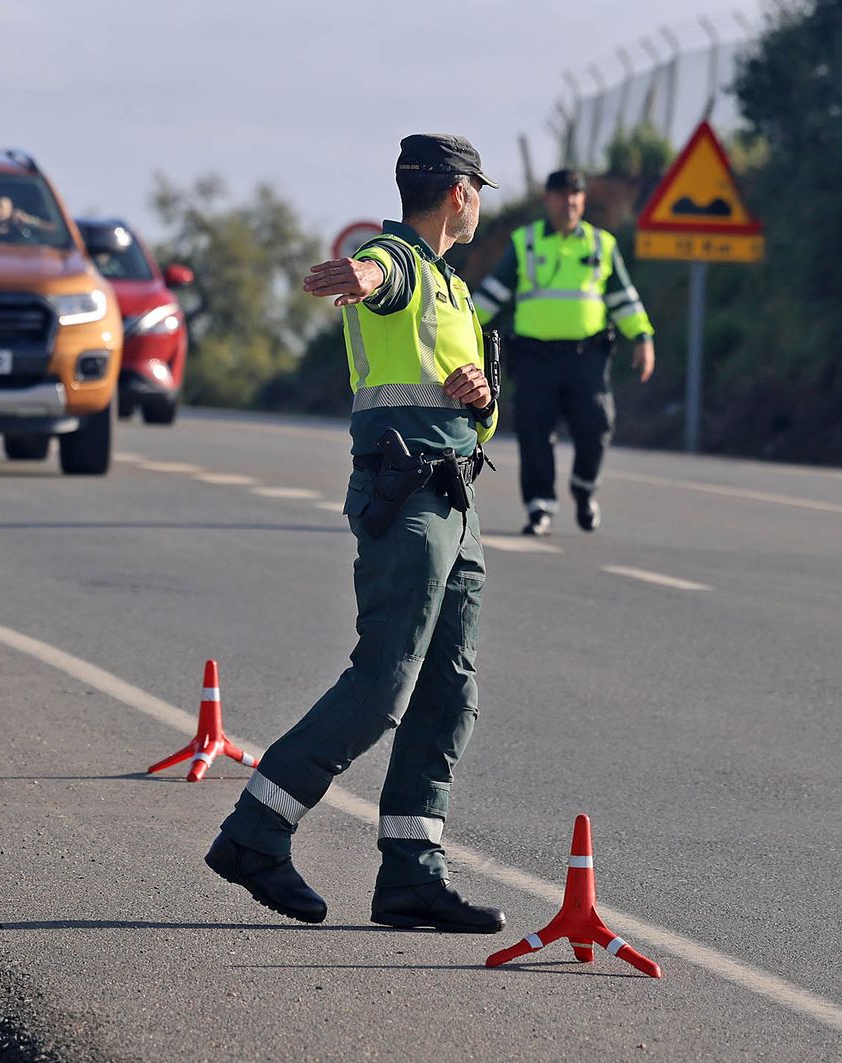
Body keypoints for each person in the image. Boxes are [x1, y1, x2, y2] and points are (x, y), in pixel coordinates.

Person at [205, 134, 506, 934]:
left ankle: (412, 873)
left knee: (450, 692)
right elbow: (381, 276)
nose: (480, 201)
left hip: (456, 499)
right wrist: (366, 274)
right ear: (459, 194)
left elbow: (477, 400)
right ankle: (255, 831)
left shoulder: (454, 287)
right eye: (479, 189)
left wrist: (479, 396)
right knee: (383, 684)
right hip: (406, 498)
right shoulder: (398, 259)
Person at [475, 169, 656, 535]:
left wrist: (643, 338)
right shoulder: (525, 243)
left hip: (585, 356)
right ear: (548, 200)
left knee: (596, 426)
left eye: (576, 194)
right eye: (561, 194)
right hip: (533, 357)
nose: (569, 201)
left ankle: (584, 489)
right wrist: (460, 331)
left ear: (583, 200)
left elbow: (623, 298)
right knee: (533, 430)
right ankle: (539, 508)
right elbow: (491, 295)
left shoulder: (600, 244)